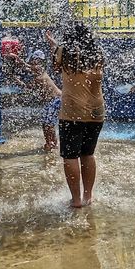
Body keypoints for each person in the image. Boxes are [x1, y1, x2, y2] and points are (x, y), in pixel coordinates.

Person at [50, 22, 104, 208]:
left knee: (70, 155)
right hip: (97, 112)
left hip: (73, 112)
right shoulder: (98, 54)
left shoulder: (64, 52)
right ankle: (88, 196)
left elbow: (56, 66)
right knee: (88, 153)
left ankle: (76, 200)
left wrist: (54, 46)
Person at [28, 49, 62, 153]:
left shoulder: (40, 72)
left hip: (56, 100)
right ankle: (49, 142)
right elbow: (28, 69)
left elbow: (28, 86)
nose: (34, 64)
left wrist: (17, 60)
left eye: (36, 61)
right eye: (33, 61)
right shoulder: (38, 72)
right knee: (45, 123)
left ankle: (52, 143)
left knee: (49, 124)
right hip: (51, 101)